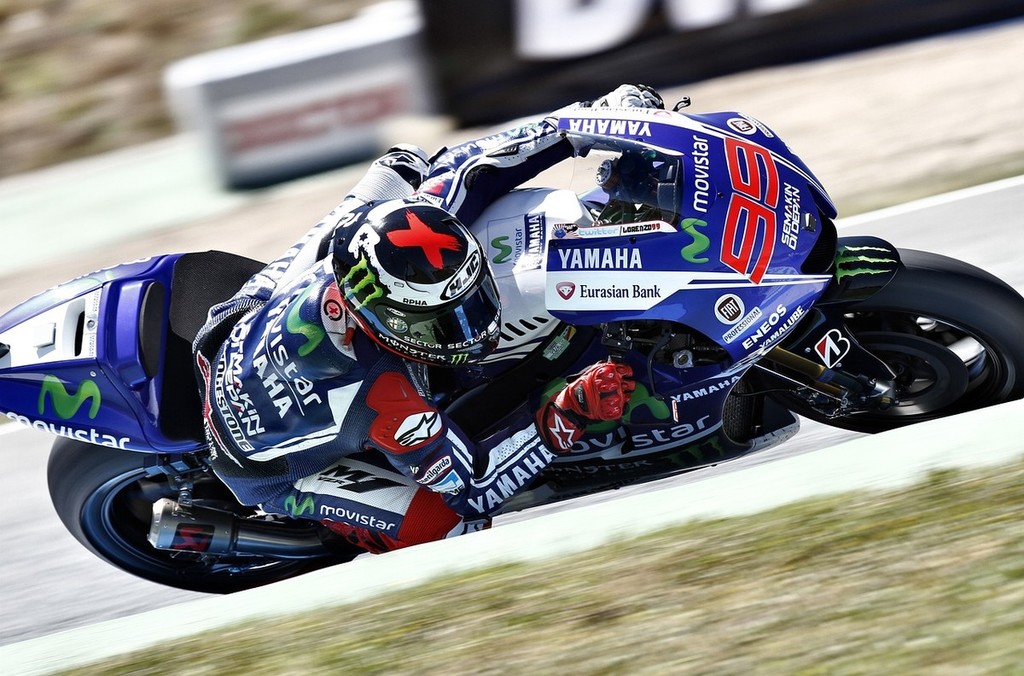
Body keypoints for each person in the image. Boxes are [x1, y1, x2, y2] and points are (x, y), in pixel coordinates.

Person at [192, 84, 663, 554]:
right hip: (261, 467)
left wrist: (589, 120)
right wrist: (568, 411)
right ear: (385, 319)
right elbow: (475, 487)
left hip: (227, 328)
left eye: (470, 303)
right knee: (447, 525)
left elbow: (471, 165)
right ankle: (328, 534)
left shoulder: (386, 236)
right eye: (440, 322)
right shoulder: (390, 399)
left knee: (402, 168)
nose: (473, 328)